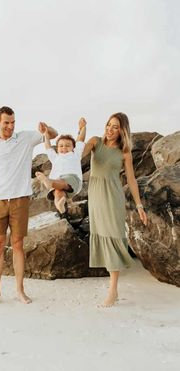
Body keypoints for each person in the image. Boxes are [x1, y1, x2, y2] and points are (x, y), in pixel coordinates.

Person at [0, 106, 57, 305]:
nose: (10, 126)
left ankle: (20, 290)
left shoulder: (25, 138)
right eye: (6, 122)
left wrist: (47, 128)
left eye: (13, 122)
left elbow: (52, 134)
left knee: (17, 245)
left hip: (20, 199)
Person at [82, 112, 147, 308]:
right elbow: (77, 153)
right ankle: (114, 290)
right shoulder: (95, 142)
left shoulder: (124, 152)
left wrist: (139, 205)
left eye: (115, 127)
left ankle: (113, 290)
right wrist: (81, 131)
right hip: (95, 197)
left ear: (122, 131)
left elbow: (132, 180)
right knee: (102, 235)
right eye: (109, 125)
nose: (110, 129)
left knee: (112, 237)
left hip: (112, 198)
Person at [35, 118, 87, 214]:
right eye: (61, 146)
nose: (64, 148)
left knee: (62, 183)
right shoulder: (55, 157)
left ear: (73, 147)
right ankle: (60, 206)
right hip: (58, 182)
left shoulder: (75, 154)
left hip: (73, 179)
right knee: (58, 193)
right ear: (57, 148)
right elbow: (48, 147)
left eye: (67, 145)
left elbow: (80, 139)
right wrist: (46, 134)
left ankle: (48, 182)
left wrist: (83, 127)